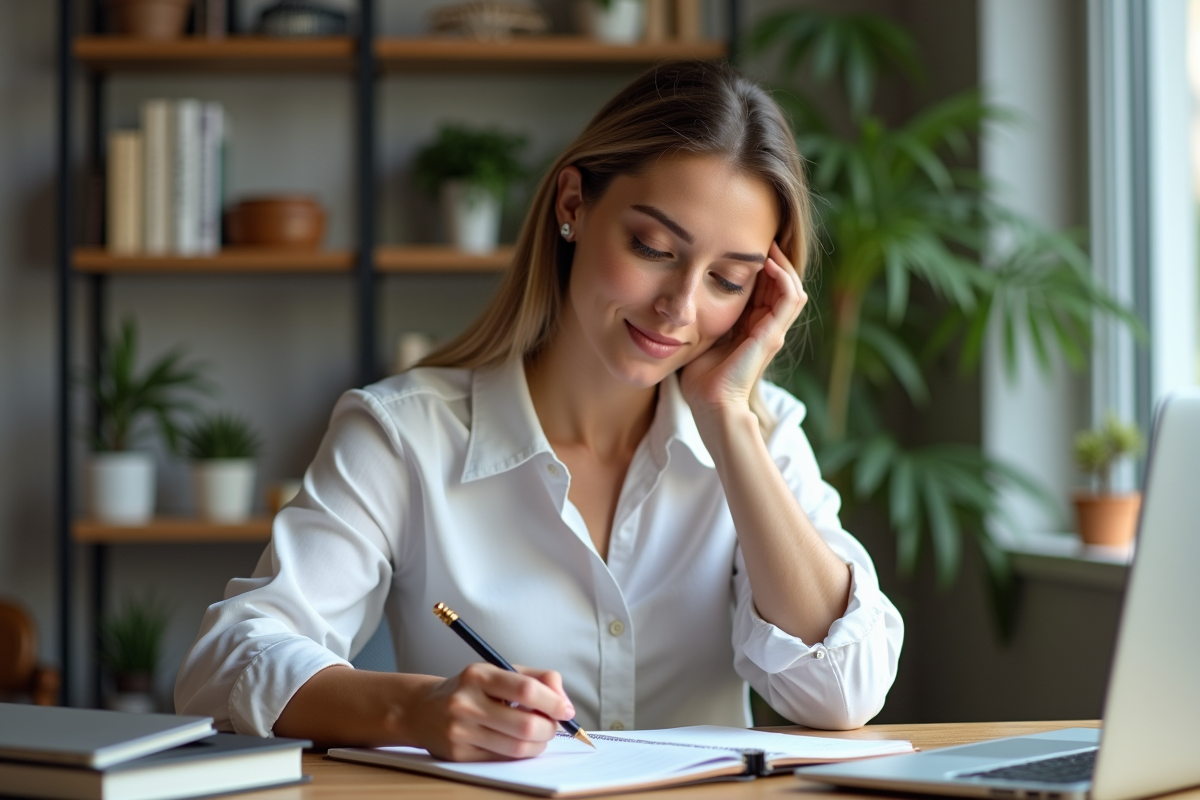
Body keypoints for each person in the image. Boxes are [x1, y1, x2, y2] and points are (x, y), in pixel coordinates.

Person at [175, 60, 903, 761]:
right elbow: (226, 661)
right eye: (652, 247)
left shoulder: (760, 431)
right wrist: (414, 710)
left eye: (727, 279)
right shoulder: (404, 434)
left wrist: (729, 419)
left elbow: (842, 693)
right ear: (572, 206)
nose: (679, 308)